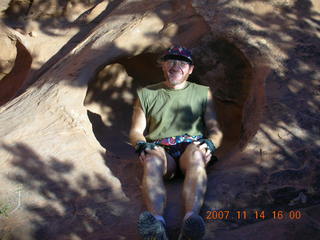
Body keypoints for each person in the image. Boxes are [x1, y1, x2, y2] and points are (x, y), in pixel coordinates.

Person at [129, 46, 221, 240]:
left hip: (191, 148)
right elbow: (136, 130)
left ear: (190, 69)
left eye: (182, 62)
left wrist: (211, 144)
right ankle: (156, 227)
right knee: (151, 159)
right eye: (171, 61)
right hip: (163, 152)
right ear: (163, 65)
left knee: (197, 156)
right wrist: (141, 144)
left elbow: (215, 129)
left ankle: (190, 222)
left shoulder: (202, 92)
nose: (175, 66)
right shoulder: (147, 93)